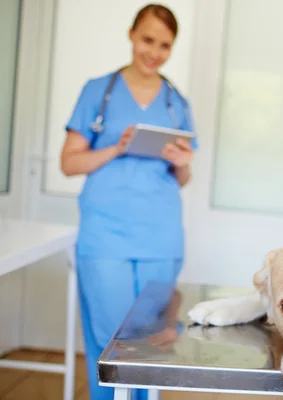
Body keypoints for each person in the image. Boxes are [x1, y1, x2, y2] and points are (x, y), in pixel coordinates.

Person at [59, 4, 196, 400]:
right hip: (106, 236)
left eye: (165, 45)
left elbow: (182, 178)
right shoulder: (97, 91)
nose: (154, 52)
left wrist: (183, 163)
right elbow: (69, 163)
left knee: (152, 345)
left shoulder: (176, 102)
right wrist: (117, 149)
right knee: (110, 345)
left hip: (160, 236)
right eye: (148, 40)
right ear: (132, 35)